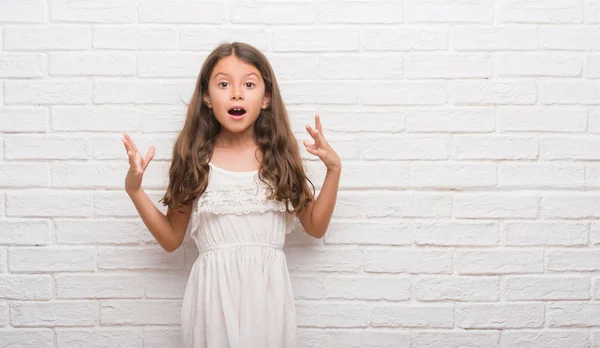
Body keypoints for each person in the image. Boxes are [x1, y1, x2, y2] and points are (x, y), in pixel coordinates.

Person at [121, 42, 341, 348]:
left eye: (249, 84)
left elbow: (315, 227)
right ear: (208, 98)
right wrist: (134, 190)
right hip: (212, 299)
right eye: (224, 84)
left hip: (268, 299)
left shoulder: (280, 158)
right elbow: (172, 239)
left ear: (265, 98)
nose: (236, 93)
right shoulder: (195, 159)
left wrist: (334, 170)